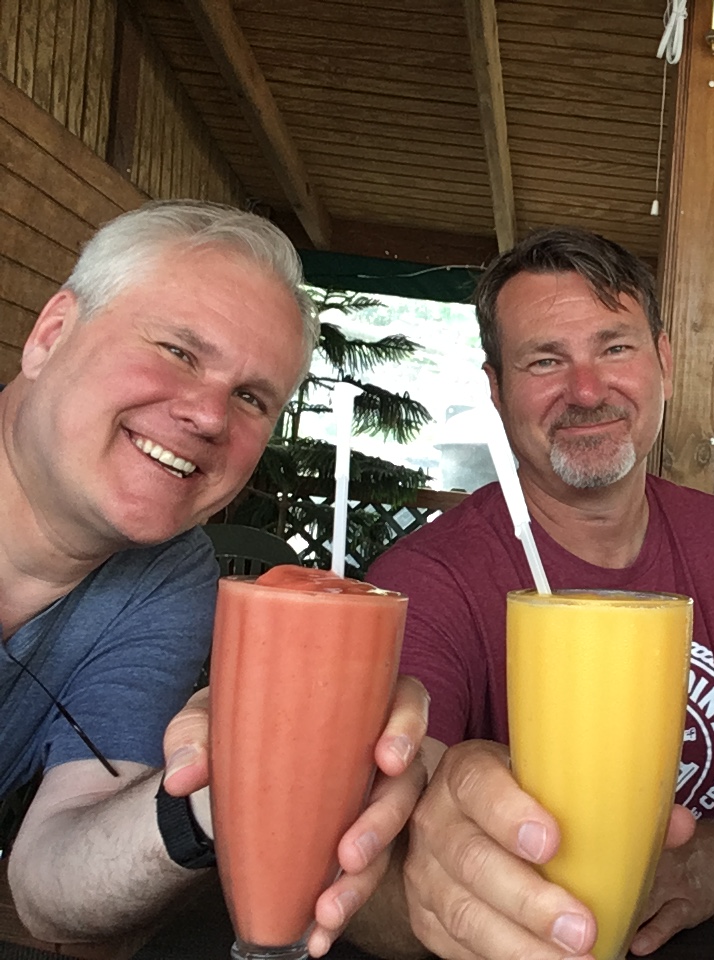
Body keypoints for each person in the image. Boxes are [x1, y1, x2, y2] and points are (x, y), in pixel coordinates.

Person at [0, 200, 428, 956]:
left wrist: (237, 776)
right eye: (178, 351)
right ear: (51, 334)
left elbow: (51, 886)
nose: (207, 415)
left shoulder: (166, 571)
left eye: (253, 397)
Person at [362, 226, 714, 959]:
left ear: (664, 363)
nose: (586, 391)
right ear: (496, 390)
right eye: (545, 361)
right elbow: (372, 870)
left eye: (614, 348)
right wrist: (432, 898)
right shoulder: (424, 581)